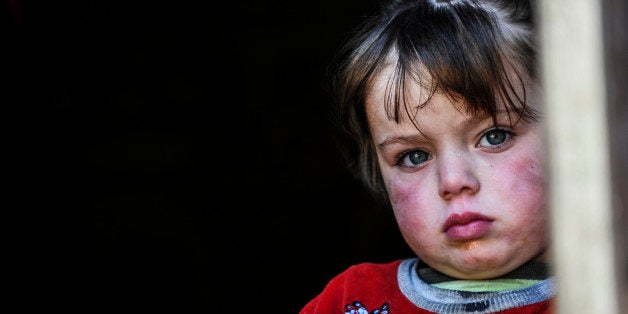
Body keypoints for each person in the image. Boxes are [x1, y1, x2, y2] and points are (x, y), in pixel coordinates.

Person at [301, 0, 554, 313]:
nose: (453, 181)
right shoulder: (347, 301)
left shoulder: (606, 292)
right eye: (414, 156)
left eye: (494, 137)